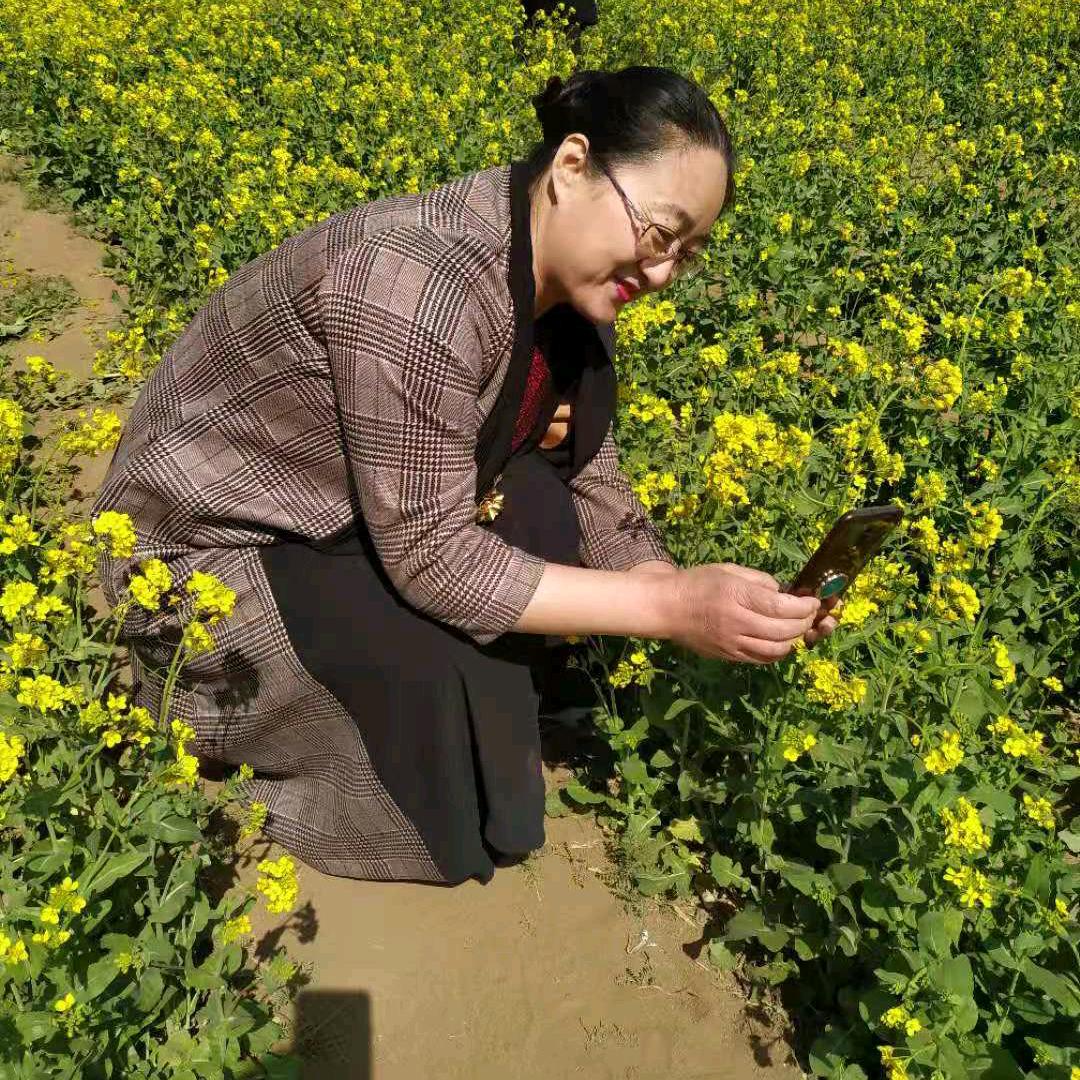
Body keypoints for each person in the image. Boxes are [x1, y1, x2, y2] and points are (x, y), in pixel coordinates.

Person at [91, 66, 840, 888]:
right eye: (660, 234)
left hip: (346, 512)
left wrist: (685, 584)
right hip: (209, 557)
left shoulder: (565, 278)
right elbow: (431, 557)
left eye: (686, 255)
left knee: (553, 520)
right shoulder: (422, 281)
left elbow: (593, 478)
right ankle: (211, 716)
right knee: (453, 767)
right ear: (572, 165)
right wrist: (668, 610)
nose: (661, 273)